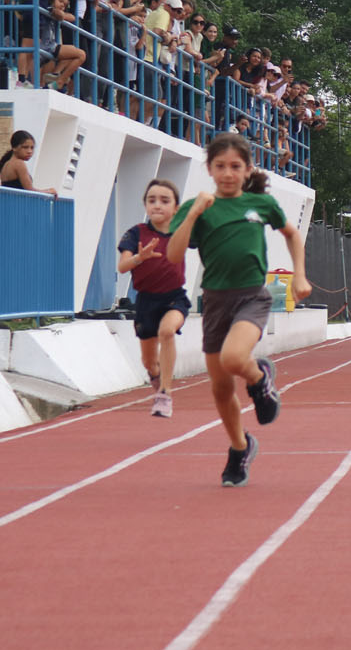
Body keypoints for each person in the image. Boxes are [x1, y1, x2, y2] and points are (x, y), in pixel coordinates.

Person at [166, 133, 310, 486]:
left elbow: (291, 234)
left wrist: (299, 277)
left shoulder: (261, 204)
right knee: (220, 388)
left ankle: (260, 378)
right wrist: (194, 213)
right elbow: (173, 254)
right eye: (220, 167)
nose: (227, 173)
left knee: (234, 359)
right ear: (209, 170)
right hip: (215, 300)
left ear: (247, 170)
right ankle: (240, 446)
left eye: (235, 167)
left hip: (251, 296)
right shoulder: (198, 208)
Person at [119, 179, 190, 418]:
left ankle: (165, 393)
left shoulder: (181, 232)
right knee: (149, 362)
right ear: (145, 205)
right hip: (146, 301)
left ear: (176, 208)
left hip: (174, 298)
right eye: (152, 200)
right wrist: (140, 257)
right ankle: (157, 379)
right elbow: (122, 266)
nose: (157, 205)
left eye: (164, 200)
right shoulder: (137, 233)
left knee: (167, 330)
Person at [0, 130, 56, 196]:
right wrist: (49, 191)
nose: (29, 151)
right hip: (17, 204)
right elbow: (30, 191)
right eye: (25, 147)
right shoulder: (19, 163)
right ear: (14, 148)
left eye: (32, 148)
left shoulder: (6, 164)